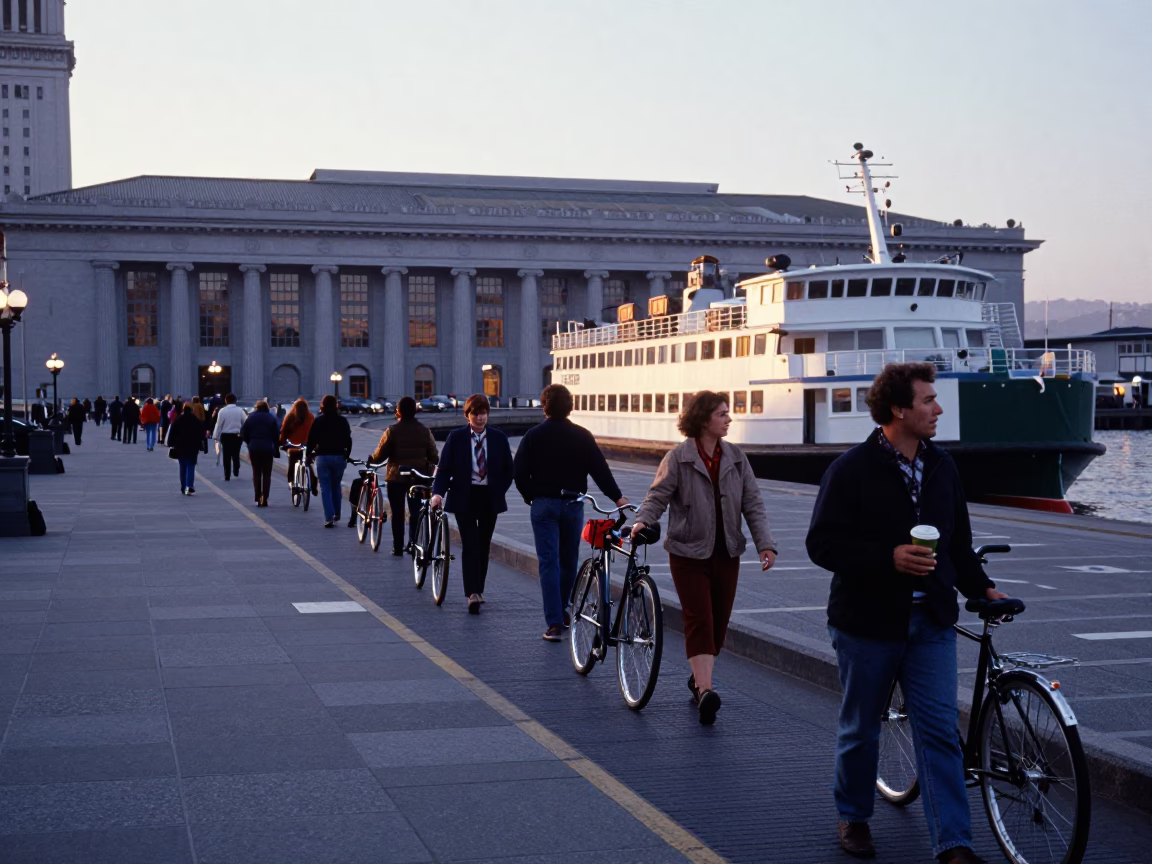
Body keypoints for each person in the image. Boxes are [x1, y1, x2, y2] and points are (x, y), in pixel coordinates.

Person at [805, 364, 1005, 863]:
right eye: (928, 401)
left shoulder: (942, 467)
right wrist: (887, 557)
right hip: (867, 621)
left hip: (932, 621)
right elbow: (822, 543)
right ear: (898, 410)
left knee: (939, 731)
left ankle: (954, 844)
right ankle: (853, 815)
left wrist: (983, 587)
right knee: (861, 726)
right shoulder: (850, 469)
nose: (938, 409)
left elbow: (959, 544)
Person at [631, 391, 776, 725]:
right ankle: (706, 691)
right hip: (687, 552)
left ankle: (698, 679)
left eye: (728, 413)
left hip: (727, 551)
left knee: (719, 624)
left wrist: (765, 544)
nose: (729, 418)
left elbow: (753, 503)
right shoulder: (678, 457)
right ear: (703, 419)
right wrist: (642, 520)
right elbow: (658, 496)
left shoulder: (737, 458)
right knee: (700, 619)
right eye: (722, 414)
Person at [514, 384, 627, 641]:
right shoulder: (582, 435)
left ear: (544, 407)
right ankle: (564, 609)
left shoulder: (533, 435)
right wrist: (618, 498)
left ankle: (554, 622)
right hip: (574, 504)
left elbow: (519, 472)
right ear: (571, 407)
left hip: (544, 504)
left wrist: (531, 496)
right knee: (568, 562)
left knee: (548, 563)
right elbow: (600, 470)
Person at [430, 394, 513, 614]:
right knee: (470, 544)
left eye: (483, 413)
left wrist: (499, 489)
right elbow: (444, 468)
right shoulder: (456, 438)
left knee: (484, 544)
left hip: (489, 497)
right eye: (476, 413)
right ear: (468, 415)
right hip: (464, 497)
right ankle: (471, 593)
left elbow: (508, 469)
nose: (480, 417)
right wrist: (437, 493)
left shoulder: (498, 438)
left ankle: (479, 589)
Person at [369, 396, 439, 555]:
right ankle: (413, 544)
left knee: (397, 512)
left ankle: (398, 547)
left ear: (398, 412)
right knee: (416, 511)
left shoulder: (392, 430)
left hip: (396, 476)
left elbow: (380, 455)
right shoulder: (424, 431)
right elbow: (434, 456)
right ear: (415, 411)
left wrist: (371, 460)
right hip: (419, 475)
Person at [306, 394, 353, 527]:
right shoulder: (342, 421)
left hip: (323, 457)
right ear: (336, 405)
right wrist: (347, 455)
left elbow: (311, 440)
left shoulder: (318, 421)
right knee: (336, 485)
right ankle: (337, 512)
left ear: (322, 405)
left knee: (325, 487)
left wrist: (308, 454)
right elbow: (348, 440)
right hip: (339, 456)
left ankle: (329, 518)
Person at [240, 400, 280, 507]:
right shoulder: (271, 418)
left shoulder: (251, 417)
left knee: (256, 473)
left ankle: (257, 497)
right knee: (267, 474)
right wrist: (276, 448)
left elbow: (243, 432)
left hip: (254, 448)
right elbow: (276, 435)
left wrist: (249, 442)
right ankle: (265, 498)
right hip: (267, 448)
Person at [279, 398, 317, 497]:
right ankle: (313, 482)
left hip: (293, 447)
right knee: (308, 464)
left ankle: (292, 484)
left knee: (292, 465)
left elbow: (284, 431)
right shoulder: (311, 417)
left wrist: (281, 443)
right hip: (309, 446)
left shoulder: (290, 416)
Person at [168, 403, 204, 495]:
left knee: (182, 467)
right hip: (193, 447)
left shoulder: (178, 418)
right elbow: (200, 434)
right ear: (192, 409)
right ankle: (189, 486)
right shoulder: (195, 420)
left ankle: (183, 487)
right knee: (191, 466)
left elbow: (172, 432)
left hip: (180, 446)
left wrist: (170, 443)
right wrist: (201, 446)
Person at [213, 393, 246, 481]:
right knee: (236, 453)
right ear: (235, 401)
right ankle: (236, 469)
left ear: (226, 401)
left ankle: (227, 474)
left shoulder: (222, 411)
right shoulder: (240, 410)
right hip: (237, 436)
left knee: (226, 455)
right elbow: (245, 423)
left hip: (225, 435)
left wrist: (216, 435)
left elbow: (219, 424)